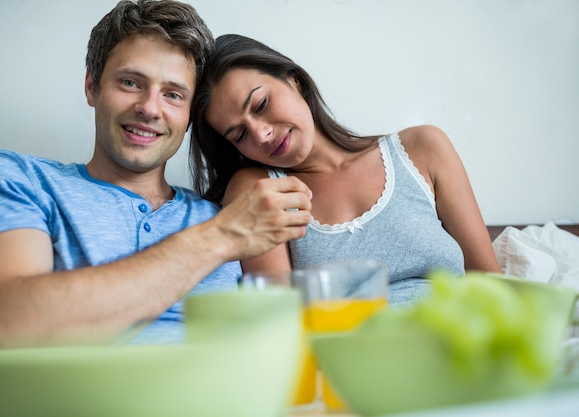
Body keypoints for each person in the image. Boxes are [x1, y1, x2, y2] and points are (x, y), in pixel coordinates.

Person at [0, 1, 312, 350]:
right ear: (92, 87)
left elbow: (281, 349)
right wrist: (218, 239)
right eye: (130, 83)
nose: (149, 108)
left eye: (173, 94)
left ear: (189, 116)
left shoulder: (224, 218)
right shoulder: (19, 181)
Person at [189, 34, 502, 305]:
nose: (261, 134)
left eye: (260, 105)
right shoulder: (259, 189)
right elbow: (281, 323)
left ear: (292, 79)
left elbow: (491, 283)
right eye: (239, 135)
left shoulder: (423, 148)